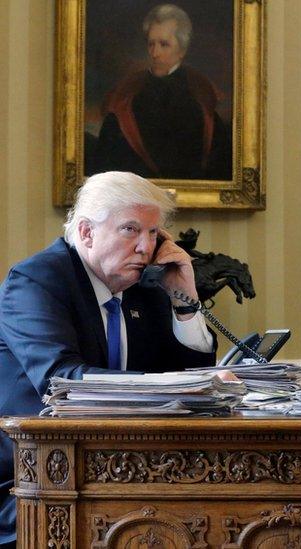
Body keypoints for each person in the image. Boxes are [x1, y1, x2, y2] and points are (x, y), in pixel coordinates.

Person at [0, 171, 218, 547]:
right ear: (86, 232)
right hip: (30, 478)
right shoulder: (38, 280)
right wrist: (165, 385)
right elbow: (62, 381)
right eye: (131, 230)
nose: (145, 248)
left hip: (119, 469)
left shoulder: (146, 288)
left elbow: (189, 379)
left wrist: (185, 303)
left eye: (153, 234)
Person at [89, 3, 232, 180]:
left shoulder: (200, 97)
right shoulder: (128, 95)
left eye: (164, 45)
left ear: (182, 50)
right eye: (151, 44)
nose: (155, 53)